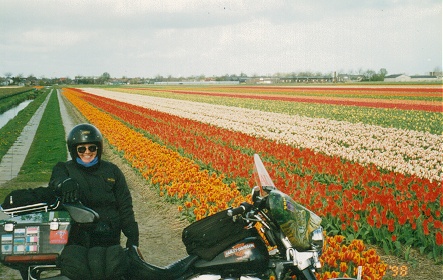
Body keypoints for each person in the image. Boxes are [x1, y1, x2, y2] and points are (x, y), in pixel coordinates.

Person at [49, 123, 139, 249]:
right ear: (73, 150)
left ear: (98, 149)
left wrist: (132, 237)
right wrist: (64, 183)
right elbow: (55, 181)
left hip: (108, 235)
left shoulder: (112, 171)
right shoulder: (65, 169)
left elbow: (125, 206)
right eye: (81, 149)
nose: (87, 152)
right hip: (77, 236)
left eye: (92, 148)